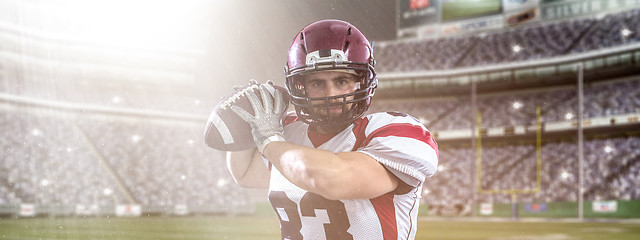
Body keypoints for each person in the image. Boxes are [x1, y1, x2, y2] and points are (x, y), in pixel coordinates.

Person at [226, 19, 438, 240]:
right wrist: (244, 119)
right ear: (300, 87)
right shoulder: (286, 133)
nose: (331, 94)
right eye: (317, 84)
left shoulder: (397, 132)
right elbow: (244, 173)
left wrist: (268, 139)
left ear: (362, 81)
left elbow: (333, 181)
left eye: (342, 80)